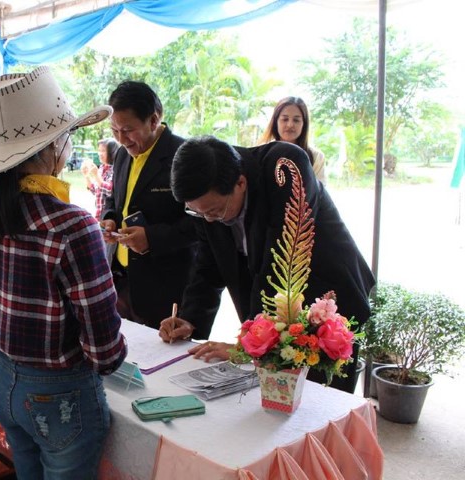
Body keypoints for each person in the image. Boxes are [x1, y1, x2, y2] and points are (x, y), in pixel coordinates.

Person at [0, 66, 127, 480]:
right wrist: (109, 359)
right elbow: (103, 344)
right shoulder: (72, 225)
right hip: (60, 391)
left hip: (5, 378)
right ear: (54, 147)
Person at [159, 137, 375, 393]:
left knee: (320, 400)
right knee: (272, 402)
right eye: (198, 213)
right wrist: (190, 319)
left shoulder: (283, 168)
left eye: (214, 211)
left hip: (325, 303)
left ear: (240, 183)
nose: (208, 220)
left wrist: (248, 344)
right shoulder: (209, 202)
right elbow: (208, 265)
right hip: (276, 311)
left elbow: (281, 265)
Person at [100, 80, 196, 328]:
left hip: (164, 286)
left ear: (153, 120)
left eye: (128, 130)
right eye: (114, 130)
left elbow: (200, 224)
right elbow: (116, 198)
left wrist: (151, 238)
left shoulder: (184, 156)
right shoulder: (122, 154)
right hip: (122, 279)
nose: (121, 139)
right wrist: (110, 218)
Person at [259, 96, 326, 183]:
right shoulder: (262, 153)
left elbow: (319, 190)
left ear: (304, 124)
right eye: (285, 119)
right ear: (276, 122)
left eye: (296, 120)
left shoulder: (316, 157)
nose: (290, 125)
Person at [81, 137, 117, 219]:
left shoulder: (116, 169)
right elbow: (95, 190)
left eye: (103, 151)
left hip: (110, 217)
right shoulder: (101, 168)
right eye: (99, 150)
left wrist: (96, 175)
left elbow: (111, 191)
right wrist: (86, 176)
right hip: (99, 215)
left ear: (112, 152)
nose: (100, 154)